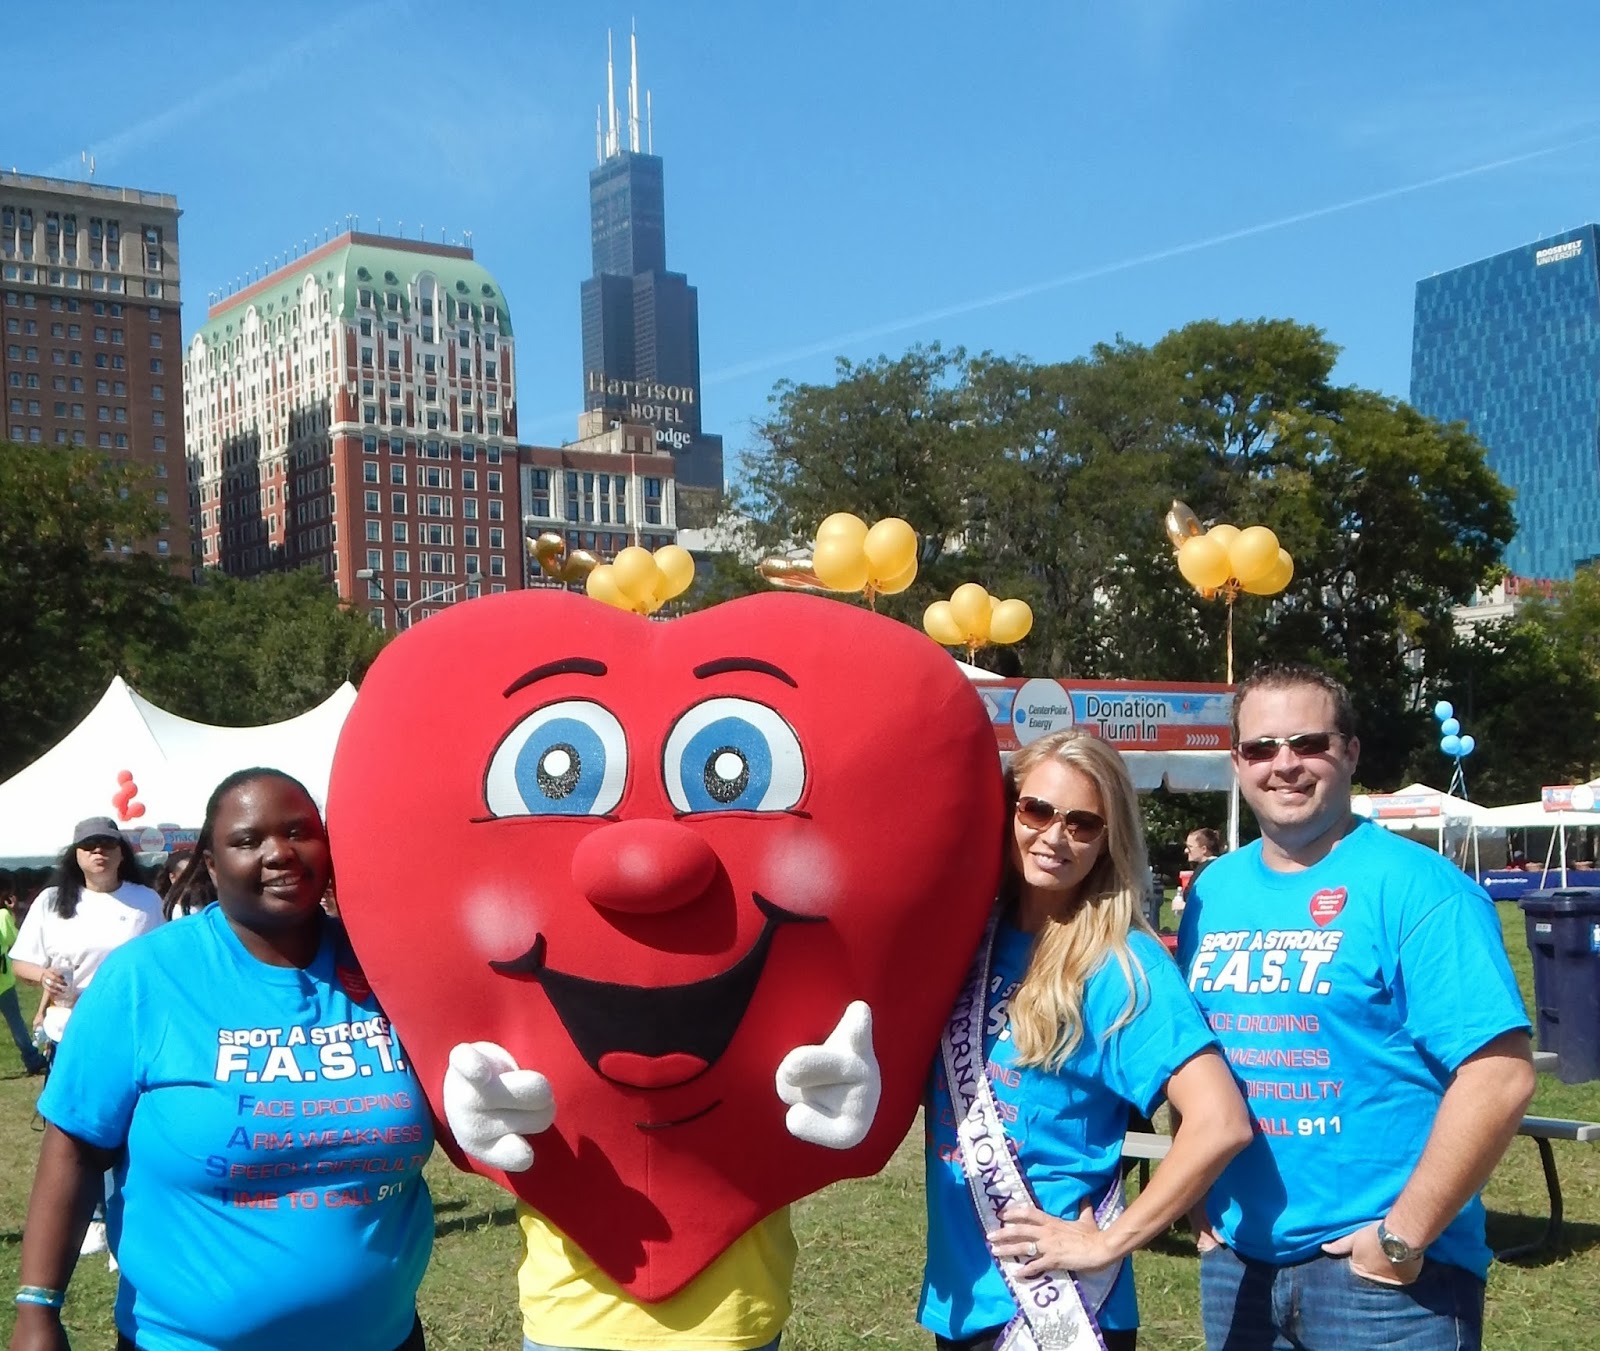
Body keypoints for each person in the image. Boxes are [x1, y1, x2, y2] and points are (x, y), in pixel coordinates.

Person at [9, 769, 436, 1351]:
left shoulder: (391, 969)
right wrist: (38, 1310)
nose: (280, 853)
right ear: (209, 863)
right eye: (247, 840)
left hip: (382, 1337)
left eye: (299, 832)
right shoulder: (145, 978)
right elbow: (76, 1149)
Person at [1177, 663, 1535, 1350]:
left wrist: (1400, 1236)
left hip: (1386, 1279)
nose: (1284, 765)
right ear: (1237, 763)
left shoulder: (1421, 888)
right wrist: (1198, 1202)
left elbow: (1500, 1074)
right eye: (1260, 748)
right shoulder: (1212, 892)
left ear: (1350, 752)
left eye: (1308, 742)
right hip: (1239, 1266)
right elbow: (1196, 1053)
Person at [921, 730, 1253, 1351]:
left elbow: (1221, 1121)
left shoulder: (1122, 965)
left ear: (1108, 842)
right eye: (1037, 810)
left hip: (1060, 1308)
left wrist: (1108, 1240)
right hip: (962, 1295)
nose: (1053, 836)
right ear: (1008, 810)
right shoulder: (969, 941)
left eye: (1082, 824)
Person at [10, 817, 165, 1047]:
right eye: (89, 845)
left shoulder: (147, 900)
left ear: (122, 853)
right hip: (67, 1032)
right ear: (76, 855)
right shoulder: (50, 900)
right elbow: (20, 964)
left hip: (128, 1030)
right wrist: (44, 976)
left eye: (108, 844)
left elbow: (163, 963)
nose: (98, 850)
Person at [0, 870, 48, 1075]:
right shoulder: (2, 916)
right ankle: (31, 1059)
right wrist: (14, 914)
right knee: (16, 1023)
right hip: (5, 982)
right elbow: (15, 941)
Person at [1174, 828, 1223, 914]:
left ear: (1204, 849)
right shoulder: (1218, 866)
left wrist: (1183, 906)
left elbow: (1210, 903)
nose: (1186, 851)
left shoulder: (1207, 871)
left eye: (1190, 847)